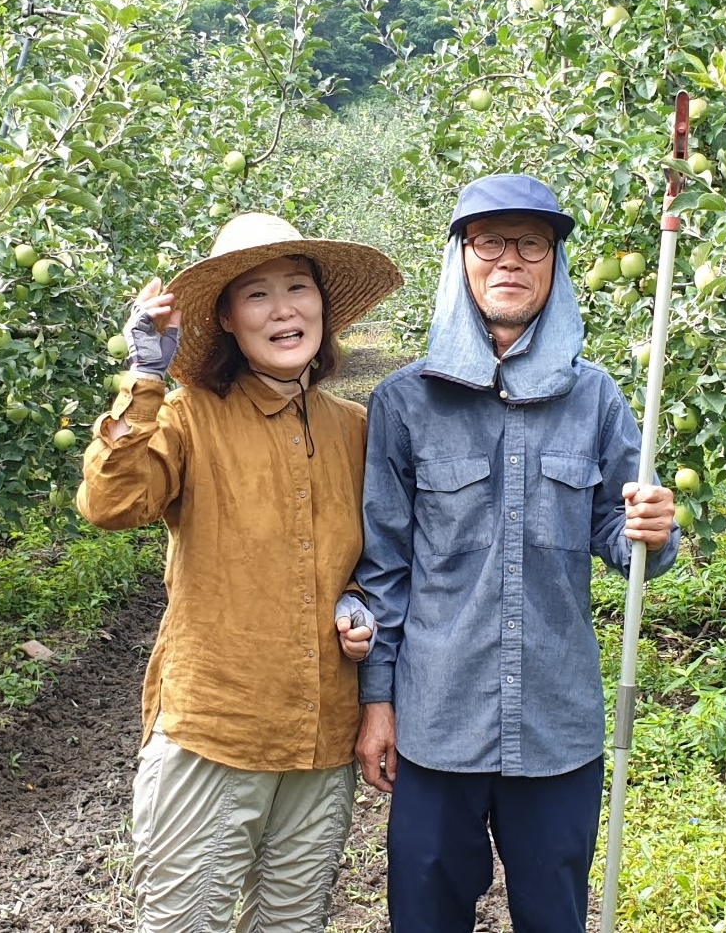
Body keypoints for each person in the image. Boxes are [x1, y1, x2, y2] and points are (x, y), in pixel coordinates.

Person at [353, 174, 680, 933]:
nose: (509, 259)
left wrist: (652, 531)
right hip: (438, 720)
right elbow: (384, 569)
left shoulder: (595, 397)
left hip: (556, 724)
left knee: (554, 916)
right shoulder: (404, 402)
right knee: (425, 916)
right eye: (489, 241)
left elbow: (623, 538)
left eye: (531, 244)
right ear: (461, 258)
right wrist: (377, 703)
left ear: (555, 263)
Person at [77, 211, 402, 933]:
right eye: (257, 294)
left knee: (291, 923)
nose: (283, 309)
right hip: (216, 729)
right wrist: (144, 379)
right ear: (225, 318)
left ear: (323, 306)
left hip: (321, 734)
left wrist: (355, 602)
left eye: (297, 287)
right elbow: (112, 504)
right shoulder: (189, 417)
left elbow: (370, 559)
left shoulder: (354, 428)